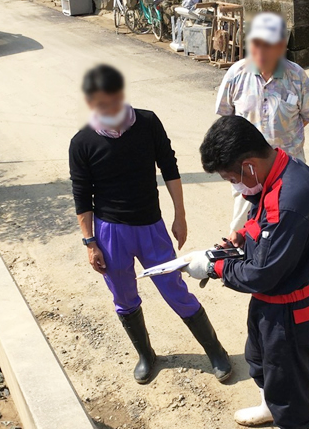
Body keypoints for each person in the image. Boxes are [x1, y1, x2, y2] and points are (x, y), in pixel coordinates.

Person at [69, 64, 231, 384]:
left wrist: (180, 215)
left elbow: (169, 167)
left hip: (151, 228)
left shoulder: (147, 122)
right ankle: (146, 354)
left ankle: (216, 351)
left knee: (176, 290)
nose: (107, 110)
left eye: (111, 102)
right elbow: (81, 196)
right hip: (110, 233)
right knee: (124, 297)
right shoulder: (82, 142)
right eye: (99, 105)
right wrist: (90, 243)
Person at [184, 115, 309, 429]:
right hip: (270, 304)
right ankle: (270, 407)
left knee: (289, 386)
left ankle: (291, 420)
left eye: (230, 177)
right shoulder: (276, 172)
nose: (233, 185)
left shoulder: (289, 199)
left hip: (288, 309)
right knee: (260, 362)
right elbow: (260, 222)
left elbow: (262, 273)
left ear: (248, 166)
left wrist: (214, 266)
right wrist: (242, 238)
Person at [215, 12, 309, 232]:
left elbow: (306, 118)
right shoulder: (236, 74)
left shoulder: (297, 77)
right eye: (255, 44)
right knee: (243, 230)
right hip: (246, 169)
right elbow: (226, 120)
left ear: (281, 46)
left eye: (267, 45)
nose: (260, 51)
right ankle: (244, 265)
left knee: (289, 229)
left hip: (288, 169)